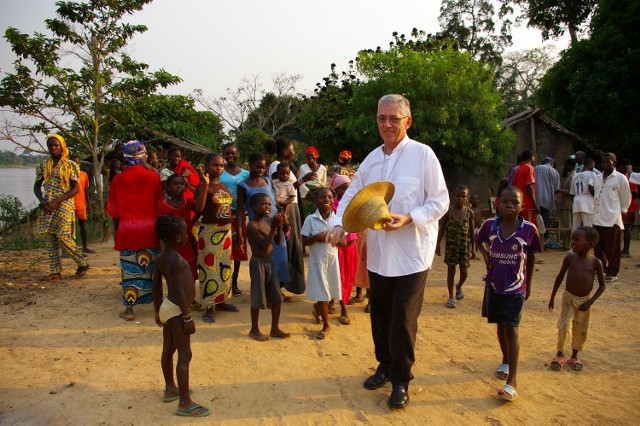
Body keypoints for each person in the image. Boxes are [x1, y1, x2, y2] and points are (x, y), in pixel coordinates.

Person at [327, 94, 449, 409]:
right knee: (379, 314)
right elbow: (353, 193)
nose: (387, 124)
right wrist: (341, 223)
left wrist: (410, 218)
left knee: (403, 318)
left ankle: (401, 379)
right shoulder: (372, 159)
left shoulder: (423, 155)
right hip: (381, 253)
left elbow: (440, 200)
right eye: (382, 118)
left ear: (408, 121)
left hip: (412, 253)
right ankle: (384, 365)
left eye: (394, 118)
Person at [476, 186, 542, 402]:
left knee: (512, 329)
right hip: (495, 286)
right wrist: (486, 254)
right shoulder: (489, 225)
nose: (510, 206)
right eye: (505, 201)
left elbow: (531, 257)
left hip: (516, 288)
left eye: (515, 202)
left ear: (523, 206)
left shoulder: (529, 229)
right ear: (498, 203)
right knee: (500, 326)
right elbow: (477, 240)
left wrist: (529, 284)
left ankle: (512, 381)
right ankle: (505, 359)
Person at [152, 214, 211, 418]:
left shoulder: (160, 257)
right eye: (186, 232)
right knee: (185, 355)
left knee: (168, 349)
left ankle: (170, 388)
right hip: (177, 310)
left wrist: (156, 311)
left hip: (167, 307)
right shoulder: (177, 261)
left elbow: (156, 285)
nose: (188, 235)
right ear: (178, 237)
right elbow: (179, 291)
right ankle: (184, 402)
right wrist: (187, 317)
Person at [107, 140, 164, 321]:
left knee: (129, 271)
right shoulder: (153, 177)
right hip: (150, 229)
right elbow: (160, 205)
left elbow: (113, 210)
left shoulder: (119, 179)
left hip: (128, 230)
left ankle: (129, 310)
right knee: (153, 270)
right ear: (144, 155)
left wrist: (117, 231)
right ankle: (158, 306)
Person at [548, 226, 606, 372]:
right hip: (568, 298)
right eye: (572, 239)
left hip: (584, 301)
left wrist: (590, 302)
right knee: (564, 326)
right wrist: (552, 296)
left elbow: (602, 286)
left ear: (590, 244)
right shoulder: (569, 258)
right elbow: (560, 277)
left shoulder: (595, 263)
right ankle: (560, 354)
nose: (573, 242)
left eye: (577, 240)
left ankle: (574, 356)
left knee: (581, 329)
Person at [34, 134, 90, 281]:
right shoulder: (43, 165)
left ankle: (82, 263)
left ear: (62, 147)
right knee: (50, 237)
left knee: (64, 237)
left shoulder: (70, 165)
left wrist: (57, 201)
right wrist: (41, 200)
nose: (53, 148)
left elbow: (75, 189)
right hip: (47, 205)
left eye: (56, 145)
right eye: (50, 145)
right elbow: (37, 186)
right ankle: (55, 272)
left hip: (64, 204)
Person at [238, 154, 291, 296]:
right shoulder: (243, 185)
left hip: (275, 222)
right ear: (249, 165)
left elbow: (274, 201)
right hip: (259, 226)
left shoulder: (268, 180)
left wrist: (282, 219)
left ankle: (276, 289)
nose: (261, 170)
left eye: (263, 167)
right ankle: (265, 290)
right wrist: (239, 232)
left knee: (280, 257)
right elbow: (239, 211)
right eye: (257, 167)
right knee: (263, 257)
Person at [195, 154, 237, 323]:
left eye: (221, 165)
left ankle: (221, 301)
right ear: (207, 165)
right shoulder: (203, 186)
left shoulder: (223, 186)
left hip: (225, 231)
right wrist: (205, 186)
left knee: (225, 268)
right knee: (209, 270)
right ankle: (209, 306)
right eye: (215, 165)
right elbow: (199, 208)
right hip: (209, 232)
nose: (219, 168)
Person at [265, 138, 310, 296]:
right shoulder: (275, 166)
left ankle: (288, 284)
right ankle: (277, 285)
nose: (294, 152)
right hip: (285, 209)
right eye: (292, 149)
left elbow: (292, 188)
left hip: (292, 207)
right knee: (284, 247)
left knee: (293, 246)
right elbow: (277, 189)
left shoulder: (285, 166)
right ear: (285, 151)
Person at [245, 193, 290, 341]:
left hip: (269, 262)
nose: (267, 207)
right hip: (258, 263)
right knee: (257, 297)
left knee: (276, 297)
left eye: (269, 204)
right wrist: (274, 227)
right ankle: (254, 329)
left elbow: (277, 241)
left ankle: (275, 327)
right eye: (263, 204)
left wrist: (279, 226)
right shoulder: (251, 225)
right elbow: (264, 245)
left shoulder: (267, 221)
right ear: (253, 207)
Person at [303, 188, 343, 339]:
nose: (326, 200)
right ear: (315, 200)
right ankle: (326, 325)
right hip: (317, 262)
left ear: (334, 200)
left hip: (332, 261)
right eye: (322, 197)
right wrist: (317, 237)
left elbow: (344, 241)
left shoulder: (337, 220)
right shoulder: (310, 220)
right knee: (321, 293)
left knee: (331, 291)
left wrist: (339, 239)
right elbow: (303, 241)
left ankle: (317, 308)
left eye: (330, 197)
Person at [158, 174, 206, 287]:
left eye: (182, 184)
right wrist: (162, 250)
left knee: (190, 271)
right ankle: (176, 298)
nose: (179, 186)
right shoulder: (164, 206)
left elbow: (200, 209)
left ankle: (190, 299)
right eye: (175, 184)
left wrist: (191, 222)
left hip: (187, 243)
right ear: (168, 187)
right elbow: (160, 230)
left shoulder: (188, 202)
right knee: (174, 272)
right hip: (171, 246)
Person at [592, 153, 631, 283]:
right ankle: (600, 269)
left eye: (608, 162)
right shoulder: (597, 177)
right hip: (597, 217)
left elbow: (626, 197)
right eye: (602, 162)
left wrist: (622, 210)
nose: (604, 164)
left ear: (614, 163)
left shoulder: (620, 178)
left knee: (612, 248)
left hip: (612, 218)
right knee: (598, 247)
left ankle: (612, 272)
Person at [435, 185, 476, 308]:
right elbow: (442, 228)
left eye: (463, 196)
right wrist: (437, 244)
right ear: (454, 196)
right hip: (451, 247)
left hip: (463, 247)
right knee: (451, 271)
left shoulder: (470, 213)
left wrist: (473, 248)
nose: (460, 198)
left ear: (467, 198)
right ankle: (451, 296)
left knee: (464, 272)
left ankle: (459, 286)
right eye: (458, 195)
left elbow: (472, 232)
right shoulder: (449, 211)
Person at [220, 142, 250, 296]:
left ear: (238, 154)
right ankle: (223, 283)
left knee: (238, 249)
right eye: (227, 153)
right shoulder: (219, 171)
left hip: (238, 216)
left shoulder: (245, 174)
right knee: (222, 250)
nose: (230, 156)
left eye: (233, 153)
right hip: (221, 216)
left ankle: (234, 282)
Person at [329, 174, 357, 325]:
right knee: (338, 277)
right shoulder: (331, 205)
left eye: (348, 187)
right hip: (338, 248)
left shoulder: (353, 204)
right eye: (343, 188)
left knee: (347, 277)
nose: (347, 190)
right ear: (335, 190)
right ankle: (343, 308)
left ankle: (333, 301)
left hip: (351, 249)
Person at [70, 155, 95, 254]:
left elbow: (86, 190)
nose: (76, 164)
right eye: (73, 162)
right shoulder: (67, 174)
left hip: (81, 204)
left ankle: (85, 247)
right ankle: (69, 248)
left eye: (77, 162)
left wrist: (88, 204)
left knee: (83, 226)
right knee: (69, 227)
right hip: (69, 204)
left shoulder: (83, 175)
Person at [299, 146, 328, 218]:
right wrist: (309, 193)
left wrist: (319, 195)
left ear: (316, 156)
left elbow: (324, 184)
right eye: (308, 156)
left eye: (312, 155)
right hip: (307, 196)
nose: (310, 157)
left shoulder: (323, 168)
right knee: (308, 216)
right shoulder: (303, 167)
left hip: (319, 195)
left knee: (319, 215)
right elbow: (300, 183)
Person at [512, 150, 539, 228]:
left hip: (519, 204)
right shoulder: (529, 168)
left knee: (520, 227)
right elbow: (528, 186)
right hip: (528, 205)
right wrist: (535, 204)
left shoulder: (518, 169)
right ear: (531, 157)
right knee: (529, 228)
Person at [534, 157, 560, 234]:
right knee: (543, 223)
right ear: (552, 164)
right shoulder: (555, 172)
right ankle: (542, 239)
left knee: (534, 220)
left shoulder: (536, 168)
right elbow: (556, 189)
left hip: (535, 199)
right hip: (547, 201)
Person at [618, 159, 638, 258]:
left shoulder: (629, 176)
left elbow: (635, 193)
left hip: (629, 205)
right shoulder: (621, 176)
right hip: (623, 204)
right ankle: (621, 249)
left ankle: (626, 250)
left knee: (626, 228)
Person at [570, 158, 597, 230]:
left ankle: (574, 240)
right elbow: (591, 187)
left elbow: (572, 193)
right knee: (588, 225)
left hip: (576, 200)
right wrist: (596, 197)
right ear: (591, 165)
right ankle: (588, 240)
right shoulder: (591, 174)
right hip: (587, 200)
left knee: (575, 226)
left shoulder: (575, 175)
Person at [556, 157, 576, 249]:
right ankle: (566, 242)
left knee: (566, 224)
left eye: (566, 165)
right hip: (566, 203)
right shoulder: (570, 175)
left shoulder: (573, 176)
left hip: (568, 204)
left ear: (570, 166)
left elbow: (572, 191)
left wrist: (561, 190)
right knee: (566, 223)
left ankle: (567, 243)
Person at [272, 162, 297, 228]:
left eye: (287, 174)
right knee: (276, 217)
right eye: (283, 173)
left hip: (285, 204)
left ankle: (287, 228)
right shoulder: (274, 182)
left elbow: (292, 197)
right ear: (278, 174)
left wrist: (284, 203)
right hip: (275, 203)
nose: (285, 175)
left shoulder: (290, 185)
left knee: (284, 217)